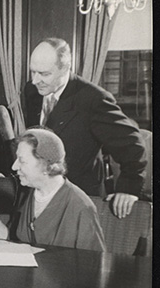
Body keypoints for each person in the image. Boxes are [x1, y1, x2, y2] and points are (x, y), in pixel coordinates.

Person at [24, 38, 147, 219]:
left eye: (44, 74)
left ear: (65, 68)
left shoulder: (93, 99)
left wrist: (128, 189)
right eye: (33, 72)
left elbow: (133, 143)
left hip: (79, 200)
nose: (35, 81)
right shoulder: (32, 90)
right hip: (41, 195)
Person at [0, 128, 106, 252]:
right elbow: (12, 242)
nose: (14, 167)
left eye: (22, 161)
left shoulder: (81, 207)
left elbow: (95, 266)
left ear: (46, 166)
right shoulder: (28, 193)